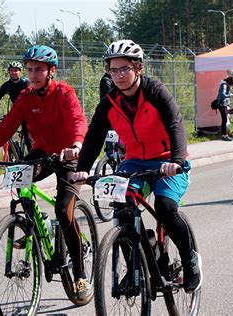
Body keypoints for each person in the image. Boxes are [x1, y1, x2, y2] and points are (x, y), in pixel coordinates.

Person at [73, 39, 202, 293]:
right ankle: (137, 265)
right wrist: (83, 168)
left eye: (124, 69)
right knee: (122, 207)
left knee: (164, 207)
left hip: (167, 158)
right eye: (113, 70)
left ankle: (190, 259)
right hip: (134, 160)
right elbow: (94, 136)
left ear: (138, 68)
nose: (118, 75)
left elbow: (176, 124)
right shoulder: (110, 102)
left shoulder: (155, 91)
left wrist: (176, 161)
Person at [0, 45, 93, 305]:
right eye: (30, 70)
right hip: (42, 152)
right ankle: (32, 224)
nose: (33, 74)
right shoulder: (25, 97)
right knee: (19, 177)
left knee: (63, 211)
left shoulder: (64, 93)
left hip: (69, 156)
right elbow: (7, 126)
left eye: (39, 69)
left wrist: (77, 146)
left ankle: (81, 274)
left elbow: (77, 120)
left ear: (51, 71)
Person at [0, 61, 32, 151]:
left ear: (20, 72)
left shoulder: (26, 84)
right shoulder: (7, 85)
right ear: (9, 72)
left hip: (27, 113)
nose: (13, 72)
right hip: (16, 113)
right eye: (11, 70)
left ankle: (33, 160)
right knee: (4, 133)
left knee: (28, 138)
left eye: (16, 70)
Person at [216, 75, 233, 141]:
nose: (232, 86)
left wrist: (230, 94)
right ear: (231, 82)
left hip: (224, 104)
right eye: (232, 84)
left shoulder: (225, 84)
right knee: (224, 120)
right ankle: (225, 136)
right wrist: (230, 95)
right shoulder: (224, 85)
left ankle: (225, 135)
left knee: (225, 120)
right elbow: (222, 95)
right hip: (222, 104)